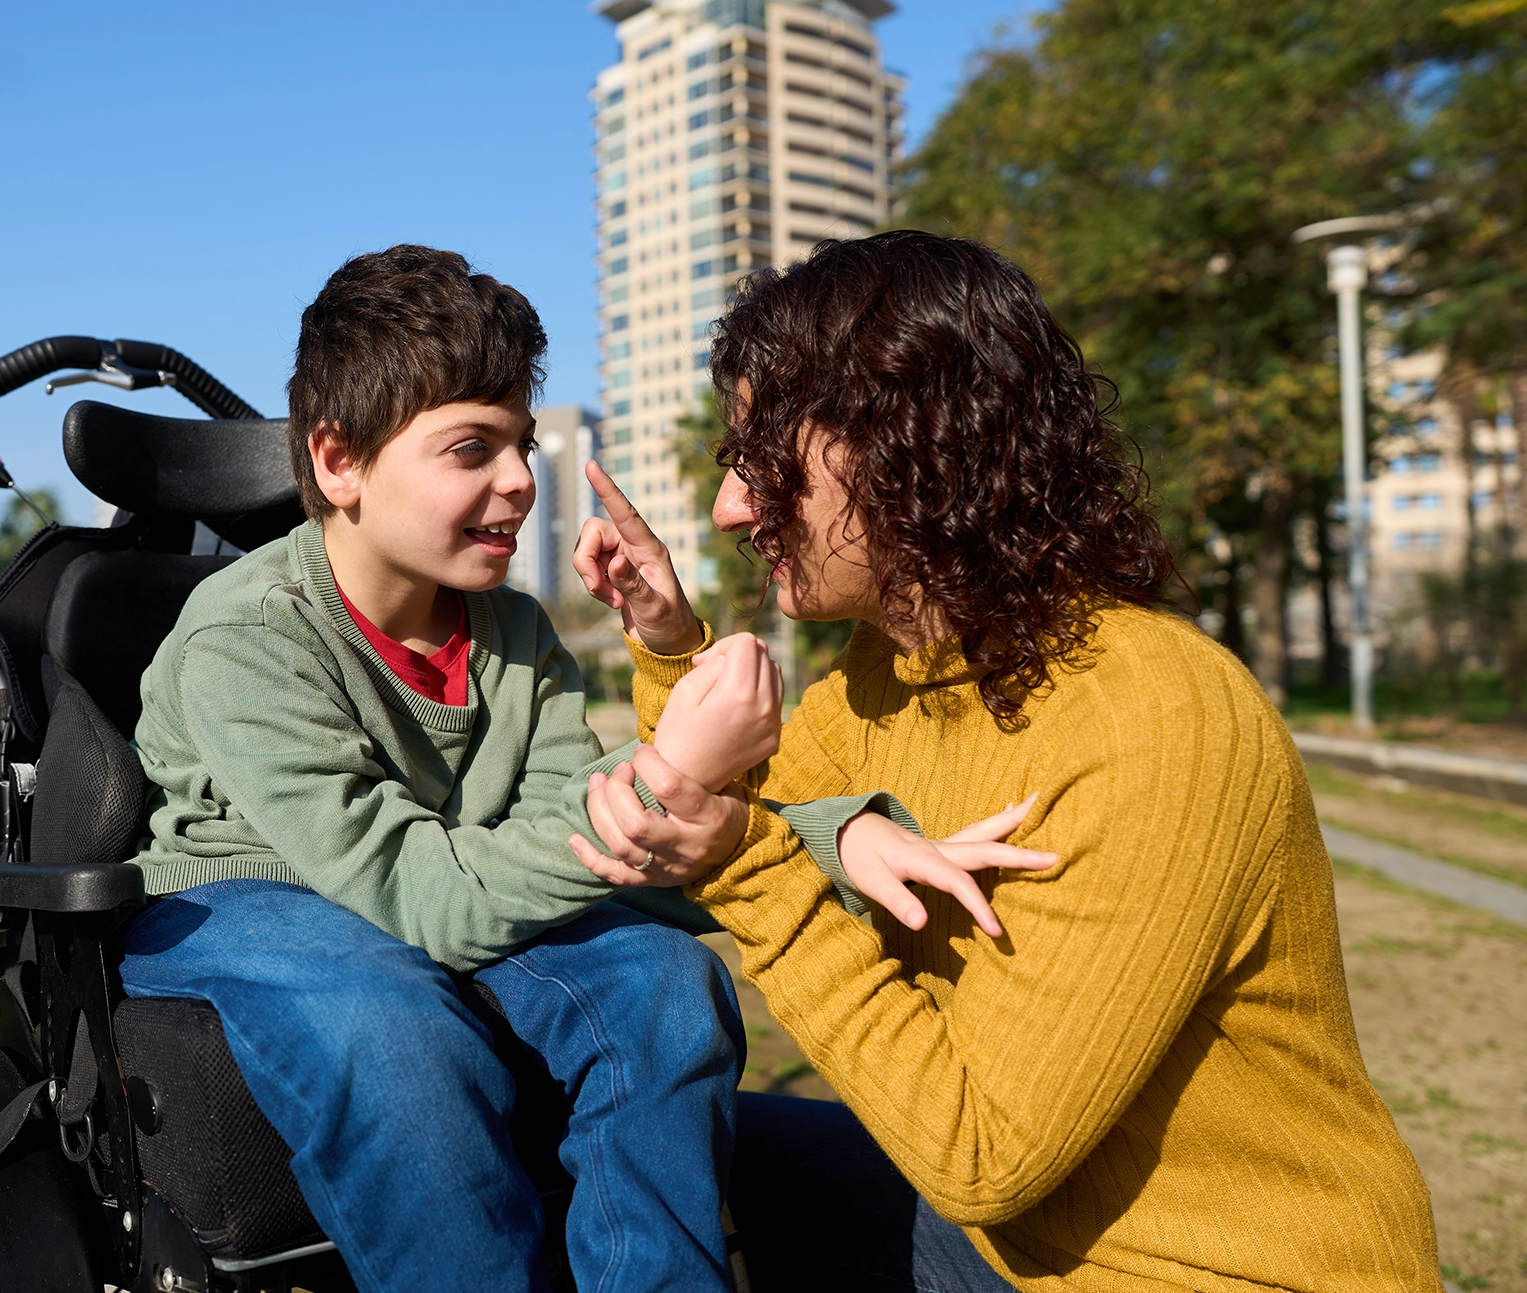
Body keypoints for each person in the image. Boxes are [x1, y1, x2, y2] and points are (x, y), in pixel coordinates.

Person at [568, 232, 1442, 1291]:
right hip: (1015, 1250)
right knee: (644, 1142)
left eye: (764, 467)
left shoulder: (1151, 715)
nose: (731, 509)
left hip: (1211, 1271)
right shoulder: (884, 676)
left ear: (909, 444)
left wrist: (749, 867)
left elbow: (985, 1158)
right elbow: (737, 791)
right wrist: (670, 650)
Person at [116, 244, 779, 1292]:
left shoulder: (513, 632)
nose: (519, 478)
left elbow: (563, 825)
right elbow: (430, 897)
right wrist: (664, 779)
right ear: (337, 463)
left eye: (519, 443)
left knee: (662, 987)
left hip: (444, 885)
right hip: (249, 898)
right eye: (470, 449)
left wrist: (831, 837)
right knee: (393, 1037)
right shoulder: (242, 641)